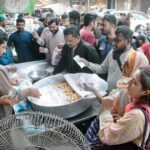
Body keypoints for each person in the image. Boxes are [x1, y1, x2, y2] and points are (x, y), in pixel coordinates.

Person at [85, 66, 150, 150]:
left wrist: (106, 111)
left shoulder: (137, 115)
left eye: (134, 83)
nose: (128, 83)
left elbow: (107, 136)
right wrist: (124, 120)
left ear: (145, 92)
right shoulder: (135, 103)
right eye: (131, 78)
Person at [80, 26, 134, 92]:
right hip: (108, 93)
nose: (114, 43)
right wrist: (87, 64)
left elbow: (132, 84)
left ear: (128, 41)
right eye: (114, 40)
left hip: (122, 98)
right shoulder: (113, 52)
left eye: (117, 41)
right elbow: (103, 68)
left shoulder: (136, 58)